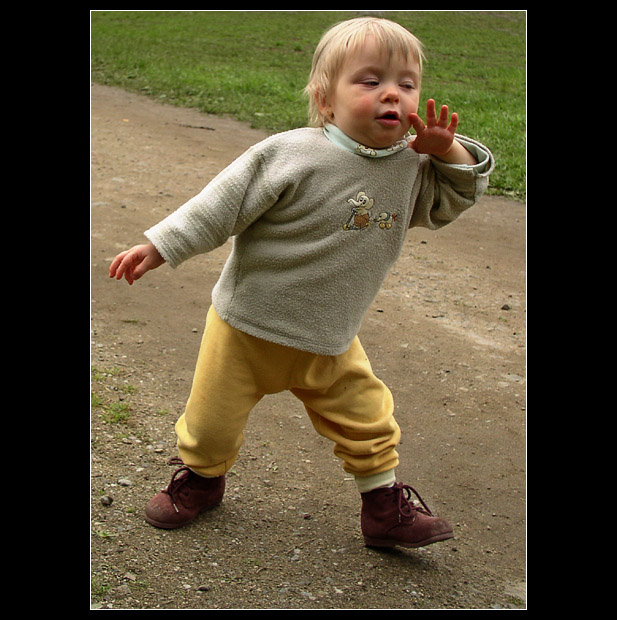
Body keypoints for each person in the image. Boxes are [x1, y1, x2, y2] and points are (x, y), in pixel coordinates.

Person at [108, 16, 494, 549]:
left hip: (330, 336)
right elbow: (220, 205)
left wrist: (446, 151)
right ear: (325, 99)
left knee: (369, 421)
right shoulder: (290, 153)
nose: (392, 94)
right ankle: (201, 480)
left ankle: (384, 509)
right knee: (210, 423)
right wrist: (161, 245)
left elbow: (459, 194)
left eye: (407, 84)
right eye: (370, 80)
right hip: (247, 327)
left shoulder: (414, 167)